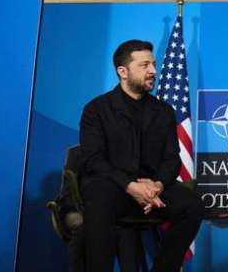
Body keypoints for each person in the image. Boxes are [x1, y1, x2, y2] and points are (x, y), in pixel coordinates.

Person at [79, 39, 203, 272]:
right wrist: (130, 186)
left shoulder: (164, 111)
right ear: (123, 71)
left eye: (153, 64)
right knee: (99, 197)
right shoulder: (96, 110)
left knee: (192, 205)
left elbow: (172, 159)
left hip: (152, 191)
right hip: (114, 188)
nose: (153, 71)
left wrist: (157, 186)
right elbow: (93, 160)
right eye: (145, 65)